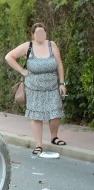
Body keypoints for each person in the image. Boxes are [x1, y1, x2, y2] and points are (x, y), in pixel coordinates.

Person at [5, 23, 67, 155]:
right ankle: (38, 144)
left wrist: (62, 83)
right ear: (32, 35)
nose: (41, 35)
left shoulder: (52, 45)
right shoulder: (28, 46)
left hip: (52, 85)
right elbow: (8, 57)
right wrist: (22, 70)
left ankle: (54, 137)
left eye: (43, 32)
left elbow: (60, 64)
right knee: (36, 115)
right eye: (38, 33)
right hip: (33, 87)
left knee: (55, 112)